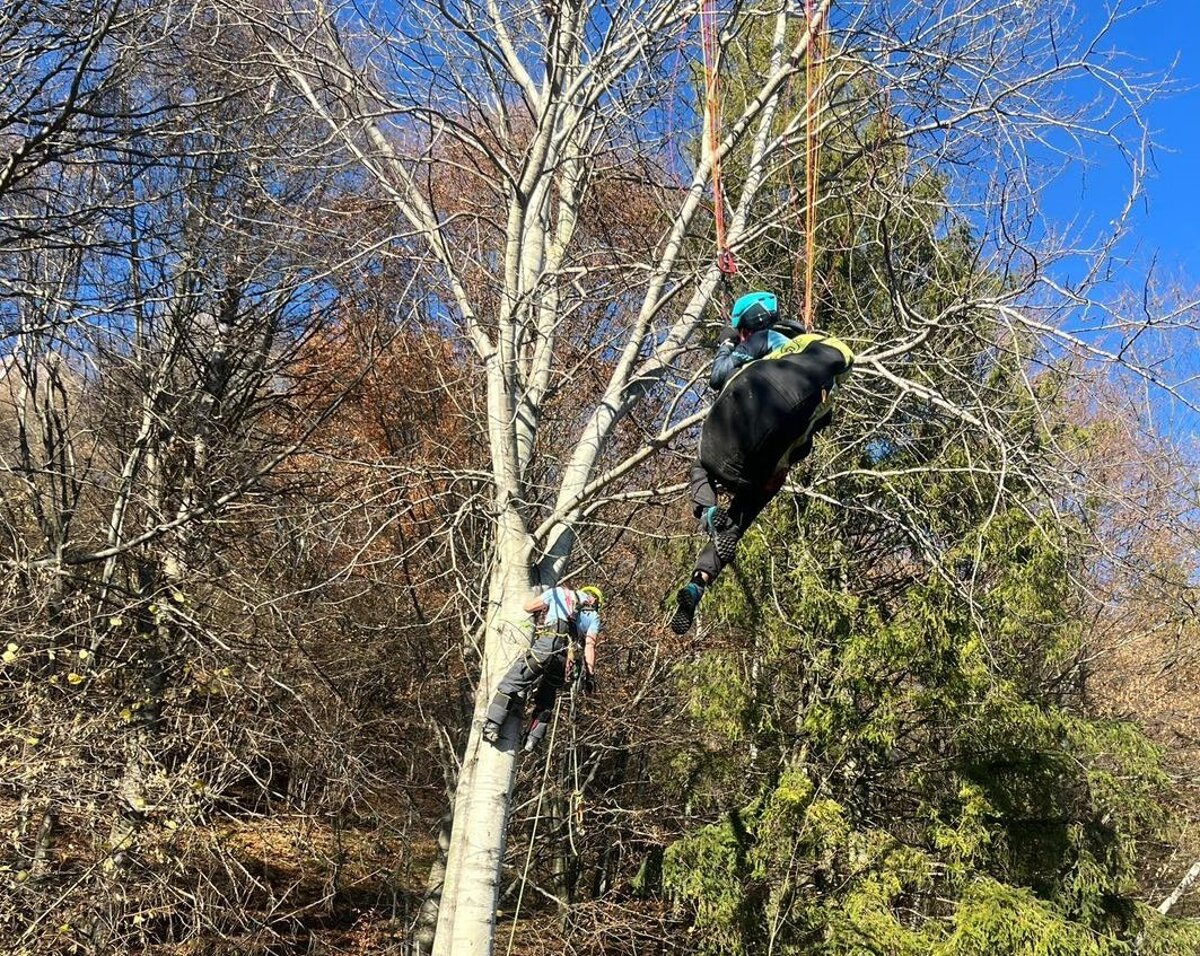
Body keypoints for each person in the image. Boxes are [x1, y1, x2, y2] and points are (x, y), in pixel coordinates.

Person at [670, 291, 853, 634]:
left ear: (749, 327)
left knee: (701, 467)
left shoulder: (765, 339)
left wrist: (727, 344)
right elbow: (810, 437)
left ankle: (707, 511)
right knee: (740, 519)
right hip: (769, 464)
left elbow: (718, 376)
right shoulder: (821, 376)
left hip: (733, 433)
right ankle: (699, 581)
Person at [482, 584, 603, 751]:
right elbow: (590, 646)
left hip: (546, 646)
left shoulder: (559, 593)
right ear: (594, 601)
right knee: (547, 697)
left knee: (514, 679)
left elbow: (528, 607)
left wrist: (544, 609)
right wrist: (590, 676)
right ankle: (532, 739)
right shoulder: (594, 616)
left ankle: (492, 724)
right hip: (564, 659)